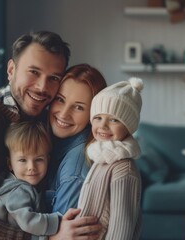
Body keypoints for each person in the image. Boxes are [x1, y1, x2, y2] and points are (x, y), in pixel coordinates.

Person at [0, 31, 101, 240]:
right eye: (34, 72)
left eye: (53, 78)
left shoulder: (40, 118)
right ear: (11, 69)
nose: (42, 87)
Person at [77, 78, 144, 239]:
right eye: (98, 117)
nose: (103, 125)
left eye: (114, 120)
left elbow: (122, 228)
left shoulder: (123, 169)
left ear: (128, 126)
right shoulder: (103, 156)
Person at [46, 64, 107, 215]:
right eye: (60, 99)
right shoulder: (50, 143)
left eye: (79, 107)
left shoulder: (74, 171)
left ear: (94, 115)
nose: (64, 114)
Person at [0, 121, 61, 239]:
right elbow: (28, 222)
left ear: (48, 160)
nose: (31, 167)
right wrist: (58, 221)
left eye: (38, 159)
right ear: (10, 164)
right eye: (23, 160)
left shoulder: (28, 185)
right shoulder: (17, 191)